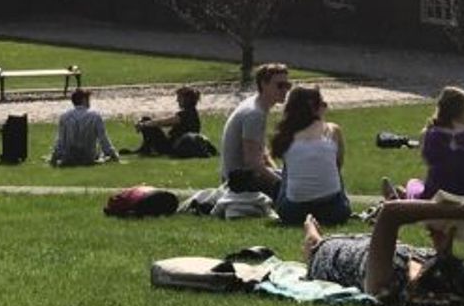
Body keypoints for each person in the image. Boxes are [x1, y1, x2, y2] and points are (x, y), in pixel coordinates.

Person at [301, 194, 464, 306]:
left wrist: (459, 211)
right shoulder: (432, 273)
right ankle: (396, 199)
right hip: (377, 246)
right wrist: (443, 241)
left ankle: (310, 228)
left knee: (314, 244)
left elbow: (390, 213)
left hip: (331, 255)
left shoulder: (386, 283)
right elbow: (445, 265)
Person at [384, 85, 464, 202]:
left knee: (413, 183)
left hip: (435, 199)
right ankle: (403, 197)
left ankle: (403, 197)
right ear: (461, 110)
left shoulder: (428, 134)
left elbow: (434, 165)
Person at [270, 84, 352, 226]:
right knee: (332, 167)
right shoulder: (332, 130)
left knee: (288, 169)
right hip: (335, 212)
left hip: (293, 213)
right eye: (323, 103)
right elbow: (338, 165)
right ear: (313, 106)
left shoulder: (285, 135)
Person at [219, 62, 290, 196]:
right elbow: (252, 163)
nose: (285, 90)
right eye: (280, 85)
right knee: (297, 189)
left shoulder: (256, 105)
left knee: (292, 179)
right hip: (239, 182)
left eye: (287, 86)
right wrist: (280, 183)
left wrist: (277, 172)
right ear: (264, 84)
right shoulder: (254, 114)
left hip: (242, 177)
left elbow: (262, 152)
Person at [47, 87, 119, 167]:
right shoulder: (95, 116)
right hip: (88, 158)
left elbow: (60, 141)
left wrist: (54, 157)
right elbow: (103, 140)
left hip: (69, 158)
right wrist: (113, 155)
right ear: (84, 100)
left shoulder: (64, 117)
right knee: (100, 154)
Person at [132, 85, 202, 156]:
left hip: (171, 147)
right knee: (147, 121)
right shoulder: (192, 113)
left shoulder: (185, 115)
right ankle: (145, 148)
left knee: (146, 120)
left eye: (179, 98)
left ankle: (147, 149)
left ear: (186, 99)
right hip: (175, 144)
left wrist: (144, 124)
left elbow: (163, 123)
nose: (177, 100)